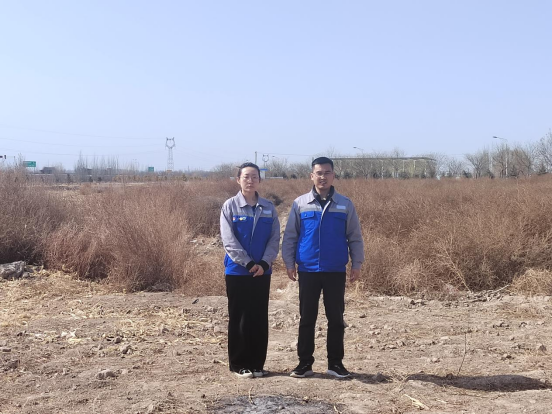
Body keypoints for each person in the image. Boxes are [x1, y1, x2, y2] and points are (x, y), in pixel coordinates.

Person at [282, 156, 364, 379]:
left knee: (336, 319)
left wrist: (356, 263)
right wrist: (289, 263)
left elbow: (355, 237)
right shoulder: (300, 204)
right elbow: (290, 236)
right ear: (312, 176)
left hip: (334, 270)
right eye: (319, 173)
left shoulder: (345, 204)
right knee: (307, 318)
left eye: (327, 173)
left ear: (333, 175)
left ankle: (335, 364)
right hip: (308, 269)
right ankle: (304, 364)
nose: (323, 177)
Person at [220, 162, 280, 379]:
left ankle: (256, 364)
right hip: (238, 271)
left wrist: (264, 263)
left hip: (262, 272)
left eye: (254, 177)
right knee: (240, 317)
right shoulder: (230, 206)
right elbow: (228, 240)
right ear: (238, 180)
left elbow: (274, 239)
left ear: (259, 180)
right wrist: (247, 263)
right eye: (246, 177)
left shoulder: (268, 208)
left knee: (258, 317)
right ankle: (239, 364)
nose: (250, 180)